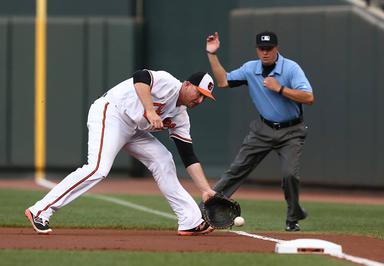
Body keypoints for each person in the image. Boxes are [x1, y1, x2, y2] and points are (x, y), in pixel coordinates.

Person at [25, 70, 217, 236]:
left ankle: (190, 221)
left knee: (163, 160)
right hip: (111, 112)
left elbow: (188, 155)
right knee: (98, 168)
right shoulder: (169, 84)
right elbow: (140, 77)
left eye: (204, 98)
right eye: (198, 93)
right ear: (187, 84)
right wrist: (150, 110)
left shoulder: (181, 117)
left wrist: (205, 189)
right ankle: (40, 211)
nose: (199, 100)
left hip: (134, 129)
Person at [206, 31, 314, 231]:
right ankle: (205, 211)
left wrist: (280, 88)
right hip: (262, 130)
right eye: (261, 49)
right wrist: (212, 54)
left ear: (276, 49)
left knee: (290, 174)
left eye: (269, 49)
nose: (265, 53)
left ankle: (293, 218)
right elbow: (223, 82)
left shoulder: (291, 68)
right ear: (257, 49)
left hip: (291, 131)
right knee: (236, 169)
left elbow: (308, 97)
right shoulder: (250, 68)